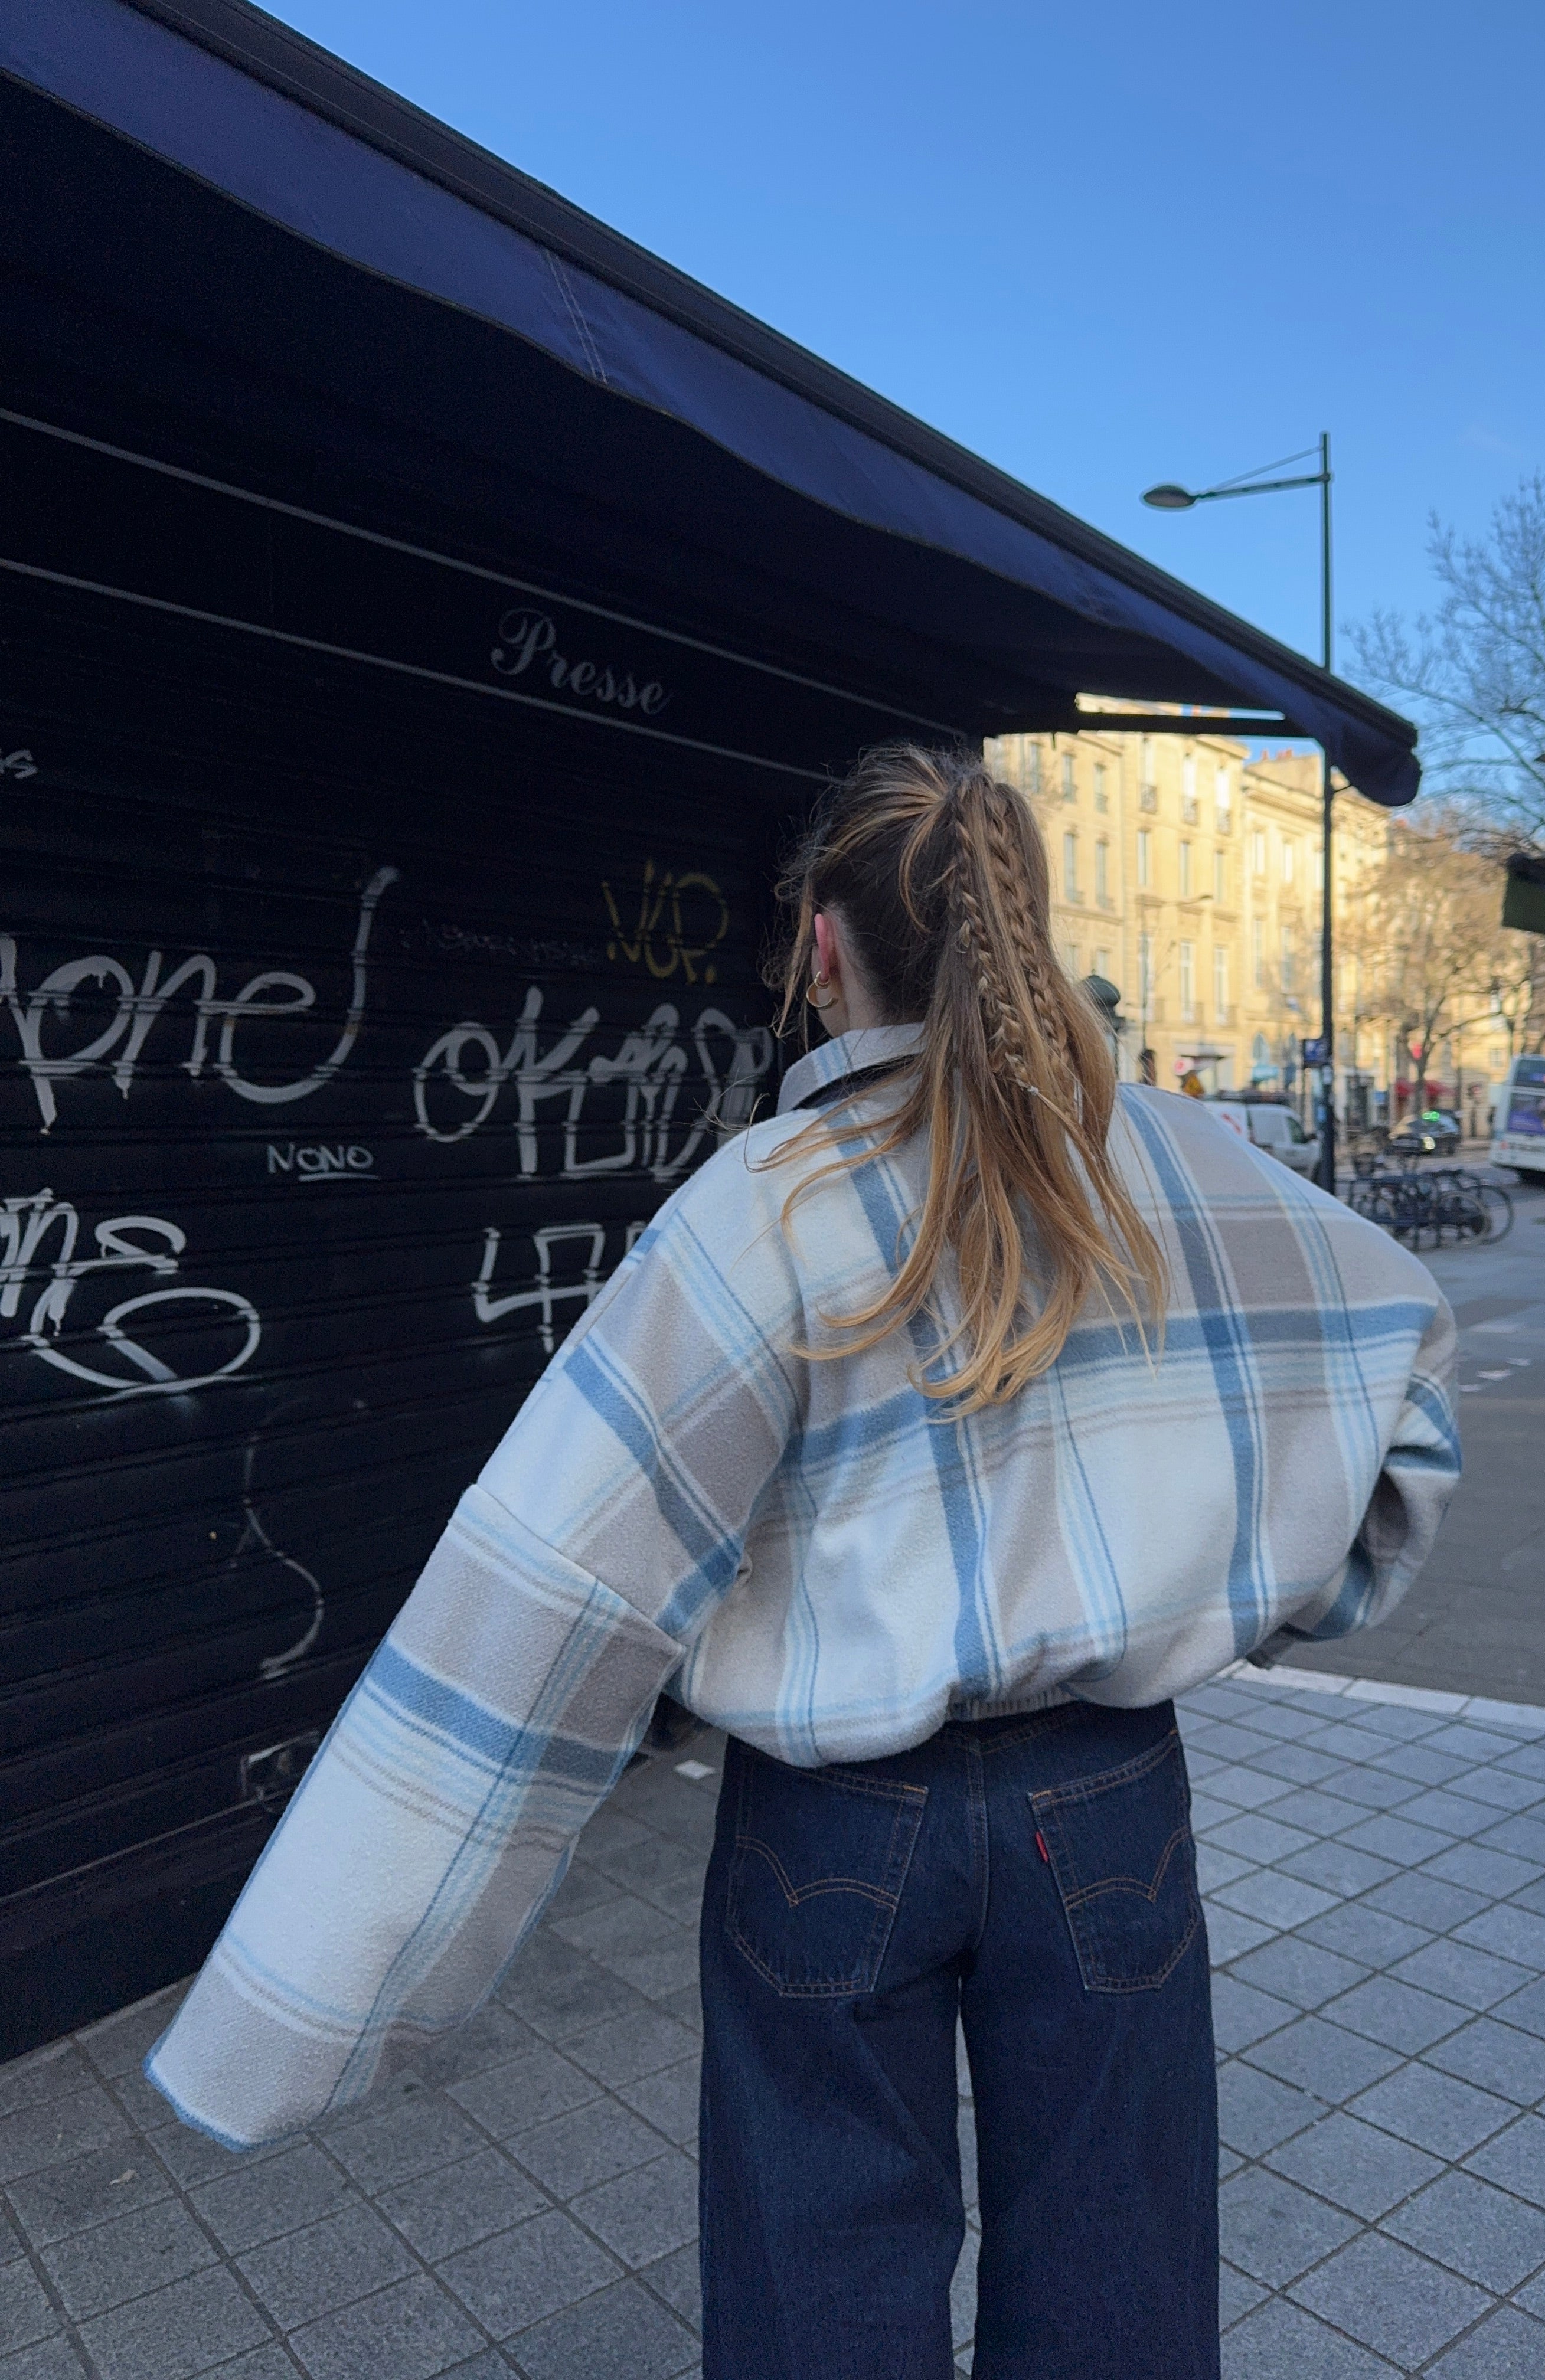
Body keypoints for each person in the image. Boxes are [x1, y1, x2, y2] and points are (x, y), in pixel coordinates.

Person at [146, 747, 1459, 2379]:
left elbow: (554, 1585)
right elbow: (1407, 1390)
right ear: (1024, 925)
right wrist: (1276, 1591)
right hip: (1111, 1792)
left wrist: (294, 2008)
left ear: (820, 951)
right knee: (1118, 2259)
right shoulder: (1182, 1167)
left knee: (817, 2285)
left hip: (835, 1822)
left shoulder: (753, 1213)